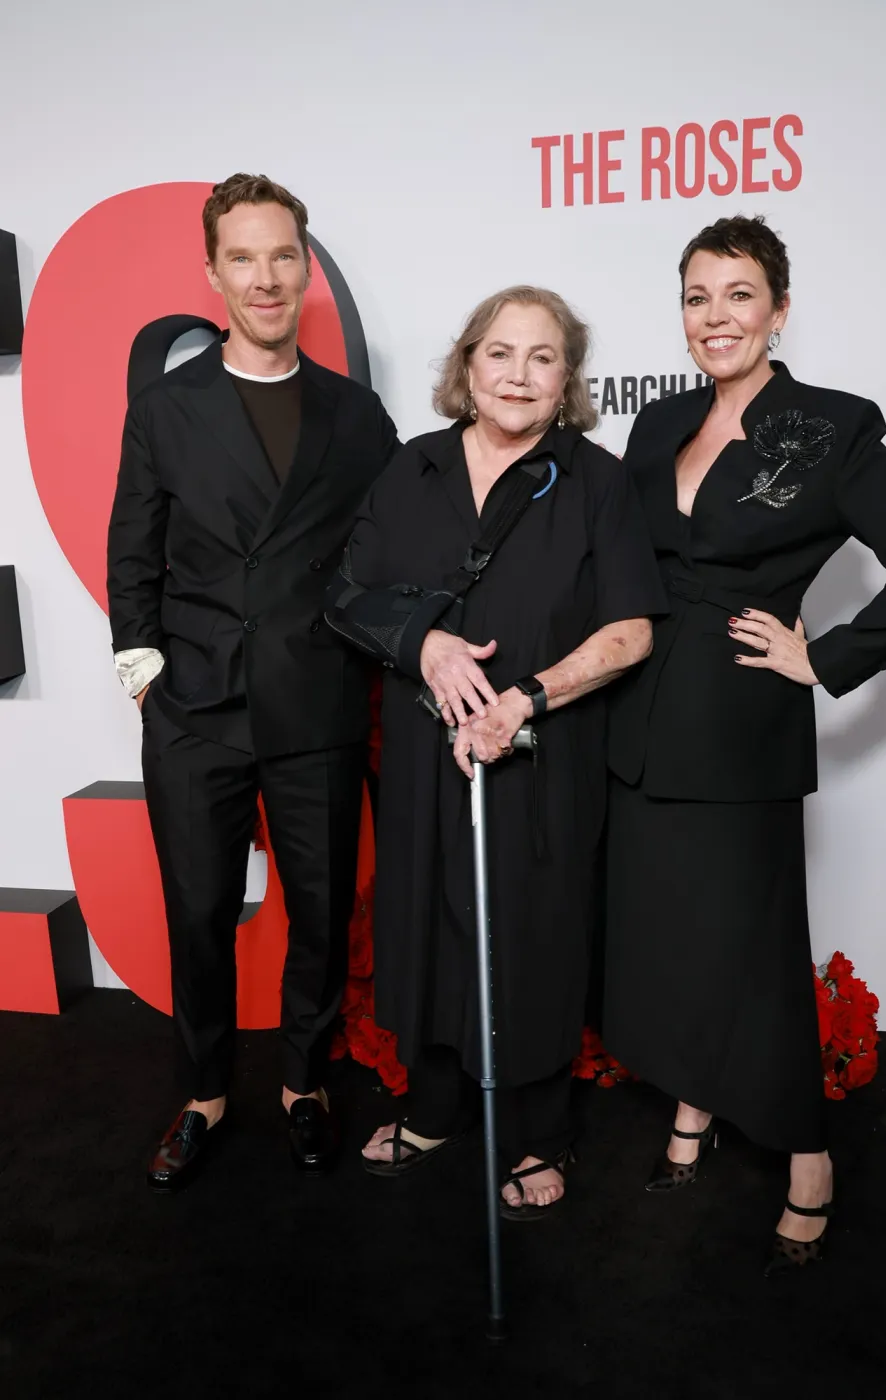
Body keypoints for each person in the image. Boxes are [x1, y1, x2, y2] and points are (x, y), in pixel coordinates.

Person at [603, 215, 886, 1272]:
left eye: (737, 294)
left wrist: (829, 655)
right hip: (636, 716)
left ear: (778, 308)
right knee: (668, 935)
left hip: (737, 722)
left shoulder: (830, 425)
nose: (714, 317)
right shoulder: (653, 423)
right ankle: (690, 1106)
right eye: (696, 296)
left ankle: (807, 1152)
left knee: (752, 944)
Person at [326, 286, 664, 1216]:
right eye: (501, 353)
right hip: (424, 760)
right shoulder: (412, 469)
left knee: (533, 939)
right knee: (428, 931)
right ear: (467, 366)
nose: (519, 374)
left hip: (539, 756)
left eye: (543, 357)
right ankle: (434, 1107)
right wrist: (425, 643)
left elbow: (633, 631)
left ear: (568, 379)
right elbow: (345, 594)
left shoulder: (596, 482)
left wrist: (525, 700)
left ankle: (537, 1132)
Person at [106, 173, 399, 1190]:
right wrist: (144, 671)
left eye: (283, 255)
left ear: (305, 266)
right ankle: (203, 1093)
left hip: (315, 702)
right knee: (196, 911)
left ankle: (302, 1086)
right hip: (193, 708)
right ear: (213, 272)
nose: (266, 277)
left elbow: (386, 555)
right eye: (244, 257)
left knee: (317, 912)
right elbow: (132, 548)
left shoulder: (358, 416)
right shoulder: (166, 407)